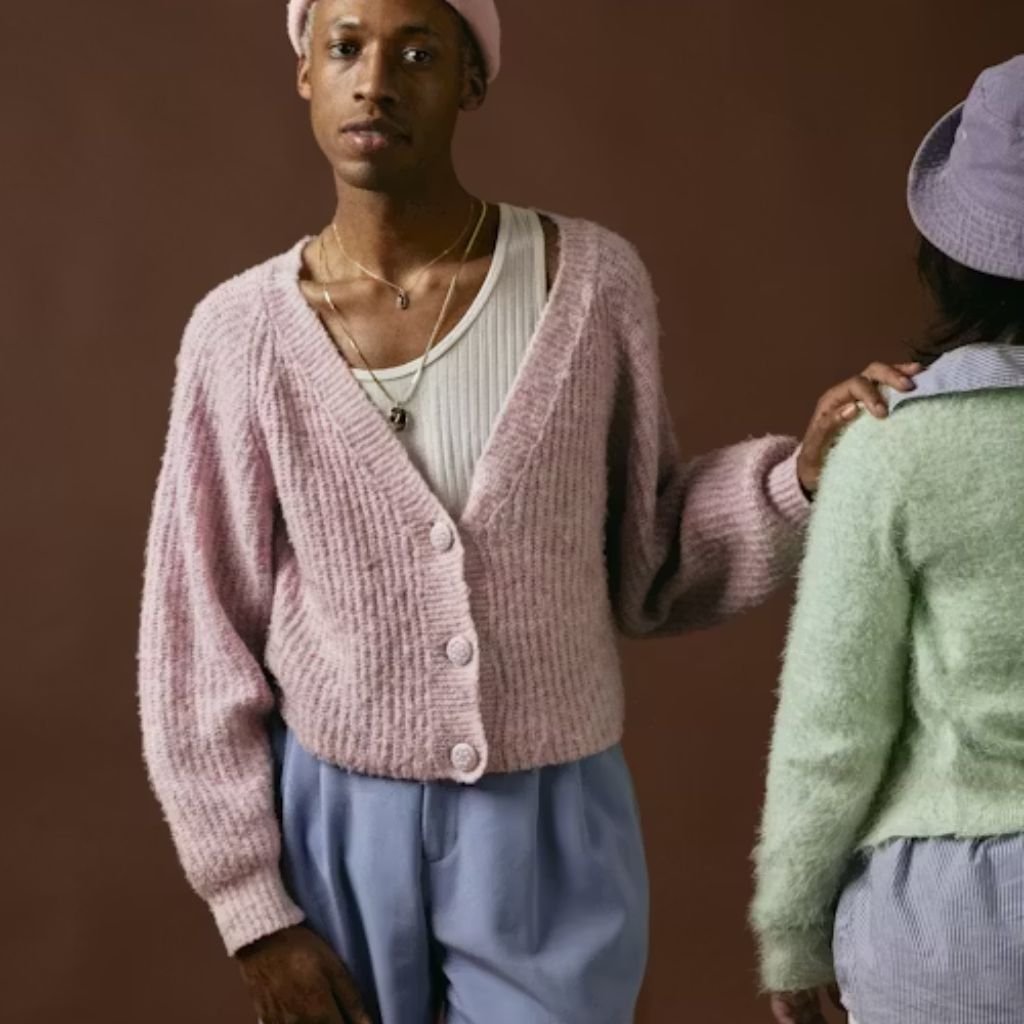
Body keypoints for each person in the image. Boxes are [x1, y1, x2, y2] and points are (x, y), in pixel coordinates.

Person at [135, 1, 918, 1021]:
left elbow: (649, 558)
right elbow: (193, 641)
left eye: (418, 53)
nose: (376, 80)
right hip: (333, 816)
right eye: (346, 48)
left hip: (551, 818)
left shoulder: (590, 285)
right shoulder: (237, 335)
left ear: (471, 82)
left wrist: (799, 480)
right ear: (304, 73)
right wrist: (254, 909)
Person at [749, 54, 1024, 1024]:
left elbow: (831, 727)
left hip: (942, 933)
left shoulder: (887, 448)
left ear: (948, 248)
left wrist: (789, 935)